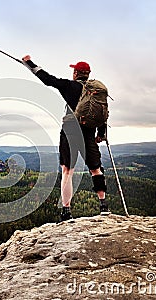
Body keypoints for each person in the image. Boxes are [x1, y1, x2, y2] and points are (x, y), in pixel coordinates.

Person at [22, 55, 109, 221]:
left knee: (67, 170)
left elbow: (48, 79)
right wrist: (101, 133)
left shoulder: (69, 86)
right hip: (89, 132)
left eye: (74, 71)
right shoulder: (96, 92)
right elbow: (102, 114)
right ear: (88, 74)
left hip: (70, 130)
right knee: (95, 169)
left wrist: (29, 63)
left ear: (76, 73)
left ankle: (66, 211)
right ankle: (103, 205)